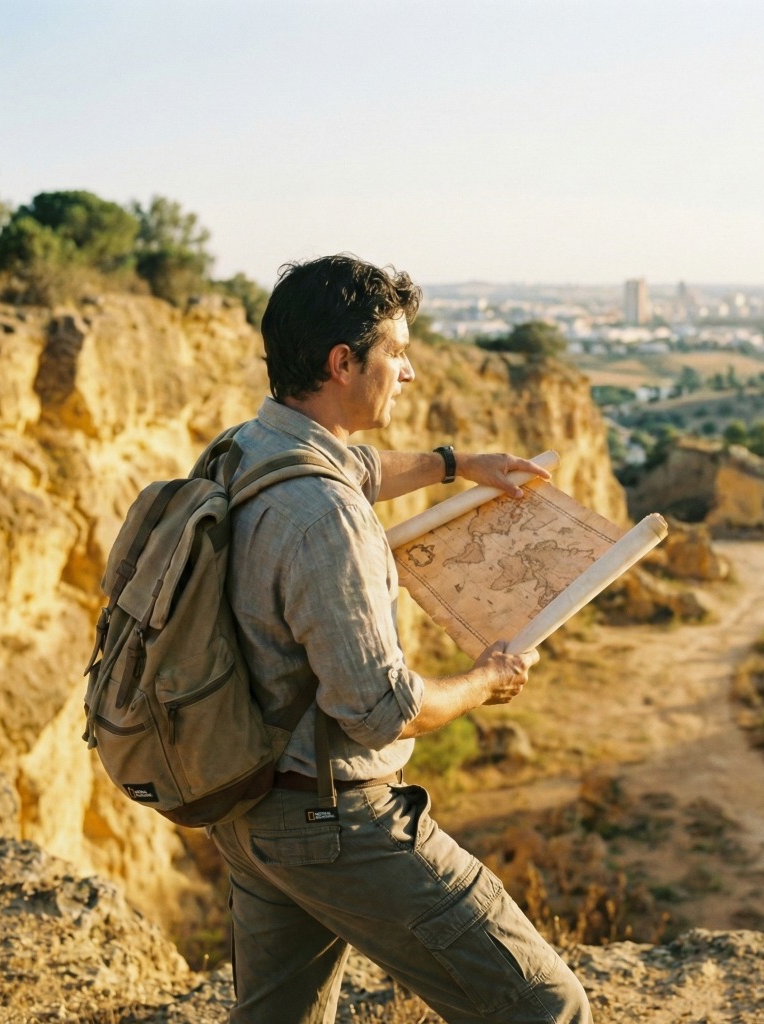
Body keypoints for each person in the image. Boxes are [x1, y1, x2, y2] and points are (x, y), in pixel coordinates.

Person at [209, 253, 593, 1024]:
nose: (409, 372)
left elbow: (359, 468)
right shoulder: (326, 518)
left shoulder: (243, 450)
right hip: (337, 821)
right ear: (342, 362)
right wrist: (490, 676)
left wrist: (457, 464)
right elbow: (379, 709)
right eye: (396, 352)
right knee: (548, 1008)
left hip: (246, 808)